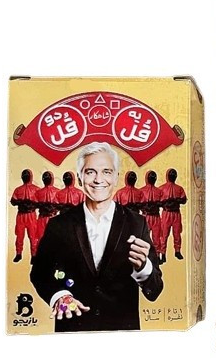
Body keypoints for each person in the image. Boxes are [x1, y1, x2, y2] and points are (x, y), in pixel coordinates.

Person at [30, 142, 163, 332]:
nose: (98, 179)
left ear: (116, 177)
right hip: (72, 330)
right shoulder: (59, 225)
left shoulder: (137, 223)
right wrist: (60, 295)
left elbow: (155, 290)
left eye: (106, 172)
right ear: (79, 178)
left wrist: (143, 267)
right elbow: (39, 273)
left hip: (123, 333)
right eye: (90, 172)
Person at [158, 168, 187, 264]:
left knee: (177, 234)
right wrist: (167, 202)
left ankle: (177, 251)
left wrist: (175, 200)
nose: (172, 176)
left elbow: (184, 200)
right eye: (171, 174)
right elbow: (158, 202)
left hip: (176, 214)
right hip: (167, 213)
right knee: (164, 234)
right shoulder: (161, 188)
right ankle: (163, 254)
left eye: (173, 174)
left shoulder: (179, 188)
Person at [10, 169, 39, 263]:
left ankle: (34, 255)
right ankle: (19, 254)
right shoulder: (19, 189)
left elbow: (41, 202)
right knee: (19, 236)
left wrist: (31, 204)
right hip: (22, 215)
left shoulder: (36, 189)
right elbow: (13, 201)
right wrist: (22, 202)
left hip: (30, 215)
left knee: (33, 236)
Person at [34, 171, 59, 249]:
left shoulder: (38, 192)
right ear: (52, 179)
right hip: (53, 218)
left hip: (43, 217)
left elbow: (34, 204)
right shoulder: (58, 191)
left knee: (41, 238)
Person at [140, 170, 162, 253]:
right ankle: (146, 255)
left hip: (155, 216)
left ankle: (157, 255)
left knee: (156, 238)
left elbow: (163, 203)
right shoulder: (141, 191)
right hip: (147, 216)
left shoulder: (159, 191)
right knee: (145, 238)